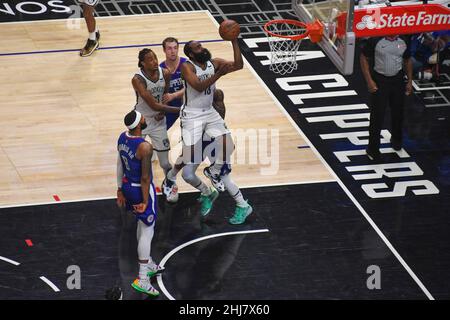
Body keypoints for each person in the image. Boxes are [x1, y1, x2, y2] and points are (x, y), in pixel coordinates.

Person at [165, 39, 253, 225]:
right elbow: (198, 86)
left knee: (229, 144)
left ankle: (215, 174)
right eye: (197, 48)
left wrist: (234, 41)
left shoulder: (214, 64)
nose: (202, 48)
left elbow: (238, 65)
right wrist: (219, 75)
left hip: (209, 114)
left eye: (201, 45)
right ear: (190, 54)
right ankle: (207, 192)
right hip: (192, 116)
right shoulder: (187, 67)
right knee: (188, 167)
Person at [116, 110, 164, 297]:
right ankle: (143, 279)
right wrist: (145, 201)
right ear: (138, 124)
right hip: (140, 189)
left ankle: (149, 262)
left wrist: (119, 189)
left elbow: (119, 163)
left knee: (142, 224)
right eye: (142, 117)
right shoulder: (145, 147)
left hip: (127, 185)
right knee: (148, 229)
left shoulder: (122, 137)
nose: (145, 118)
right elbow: (145, 178)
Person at [132, 48, 181, 203]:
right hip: (141, 121)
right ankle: (134, 186)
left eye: (155, 58)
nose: (154, 61)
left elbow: (164, 96)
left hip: (159, 121)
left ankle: (170, 184)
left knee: (165, 162)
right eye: (150, 59)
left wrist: (163, 110)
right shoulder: (137, 79)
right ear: (142, 63)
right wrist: (181, 110)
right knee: (136, 158)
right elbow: (153, 105)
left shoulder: (165, 73)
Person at [360, 35, 413, 161]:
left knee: (398, 113)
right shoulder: (375, 39)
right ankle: (372, 148)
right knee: (377, 116)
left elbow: (407, 59)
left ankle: (396, 140)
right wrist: (369, 81)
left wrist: (410, 80)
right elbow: (363, 57)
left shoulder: (404, 39)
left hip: (398, 79)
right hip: (380, 79)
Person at [159, 37, 187, 130]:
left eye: (175, 48)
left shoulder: (186, 64)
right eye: (169, 48)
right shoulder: (160, 69)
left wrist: (174, 95)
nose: (173, 51)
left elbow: (191, 88)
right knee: (160, 129)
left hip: (188, 102)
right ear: (164, 50)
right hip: (170, 106)